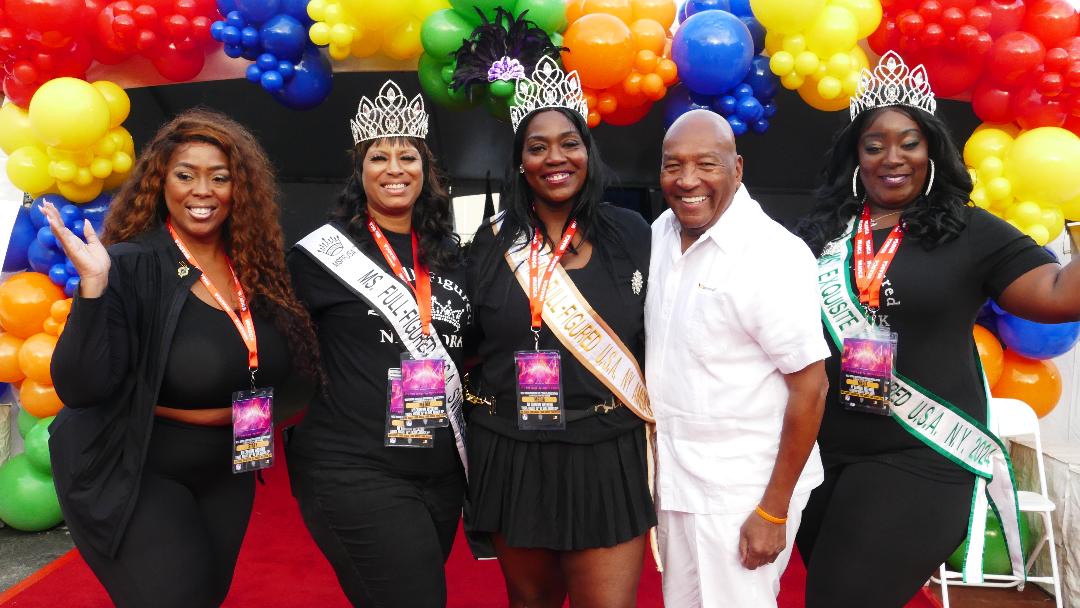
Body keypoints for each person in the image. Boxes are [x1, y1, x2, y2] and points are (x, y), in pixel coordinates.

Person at [793, 51, 1080, 607]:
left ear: (932, 151)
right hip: (823, 456)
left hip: (921, 453)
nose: (892, 157)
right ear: (855, 156)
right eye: (874, 145)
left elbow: (1057, 294)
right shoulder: (822, 232)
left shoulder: (969, 230)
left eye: (910, 142)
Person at [47, 108, 319, 608]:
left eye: (220, 177)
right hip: (142, 467)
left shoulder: (258, 268)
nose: (203, 191)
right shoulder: (130, 263)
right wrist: (94, 288)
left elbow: (294, 365)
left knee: (207, 596)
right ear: (160, 182)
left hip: (230, 465)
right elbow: (79, 388)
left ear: (240, 188)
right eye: (186, 175)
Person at [464, 55, 656, 608]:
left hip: (606, 447)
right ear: (519, 162)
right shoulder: (489, 242)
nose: (555, 157)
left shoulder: (633, 235)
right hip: (513, 449)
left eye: (569, 143)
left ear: (588, 154)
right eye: (537, 146)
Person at [286, 80, 470, 607]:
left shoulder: (451, 255)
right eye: (379, 157)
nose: (395, 168)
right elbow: (276, 341)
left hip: (440, 472)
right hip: (353, 466)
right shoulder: (320, 255)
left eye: (407, 156)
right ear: (360, 170)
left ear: (425, 169)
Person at [645, 108, 830, 607]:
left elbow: (811, 387)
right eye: (673, 165)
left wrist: (772, 510)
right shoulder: (660, 233)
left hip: (742, 490)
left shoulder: (772, 254)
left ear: (737, 168)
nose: (687, 180)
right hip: (677, 481)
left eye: (706, 164)